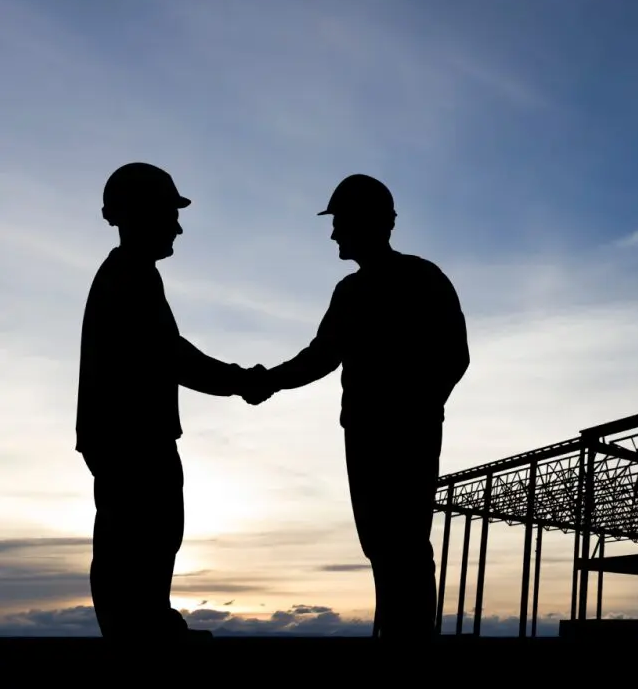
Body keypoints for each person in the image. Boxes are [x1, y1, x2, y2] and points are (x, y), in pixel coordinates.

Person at [244, 174, 469, 640]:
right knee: (383, 543)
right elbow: (321, 357)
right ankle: (395, 633)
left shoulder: (420, 279)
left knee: (402, 541)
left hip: (400, 433)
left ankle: (408, 639)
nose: (333, 234)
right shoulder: (353, 291)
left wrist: (416, 408)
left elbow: (454, 355)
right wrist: (269, 380)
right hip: (369, 433)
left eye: (340, 222)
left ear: (370, 223)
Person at [76, 162, 260, 642]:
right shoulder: (128, 278)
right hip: (131, 436)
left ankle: (146, 623)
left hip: (127, 434)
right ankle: (139, 634)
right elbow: (173, 357)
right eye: (169, 212)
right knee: (140, 534)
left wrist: (238, 380)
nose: (178, 225)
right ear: (139, 213)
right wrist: (240, 381)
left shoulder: (131, 275)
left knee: (148, 534)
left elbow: (169, 355)